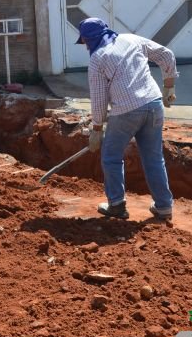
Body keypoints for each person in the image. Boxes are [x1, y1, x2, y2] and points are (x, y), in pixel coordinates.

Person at [76, 17, 178, 221]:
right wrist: (168, 85)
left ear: (89, 39)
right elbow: (166, 55)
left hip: (126, 112)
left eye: (85, 41)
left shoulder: (97, 58)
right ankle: (164, 207)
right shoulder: (131, 39)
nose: (85, 45)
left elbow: (98, 98)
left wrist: (97, 129)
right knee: (154, 158)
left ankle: (116, 205)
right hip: (154, 104)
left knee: (111, 157)